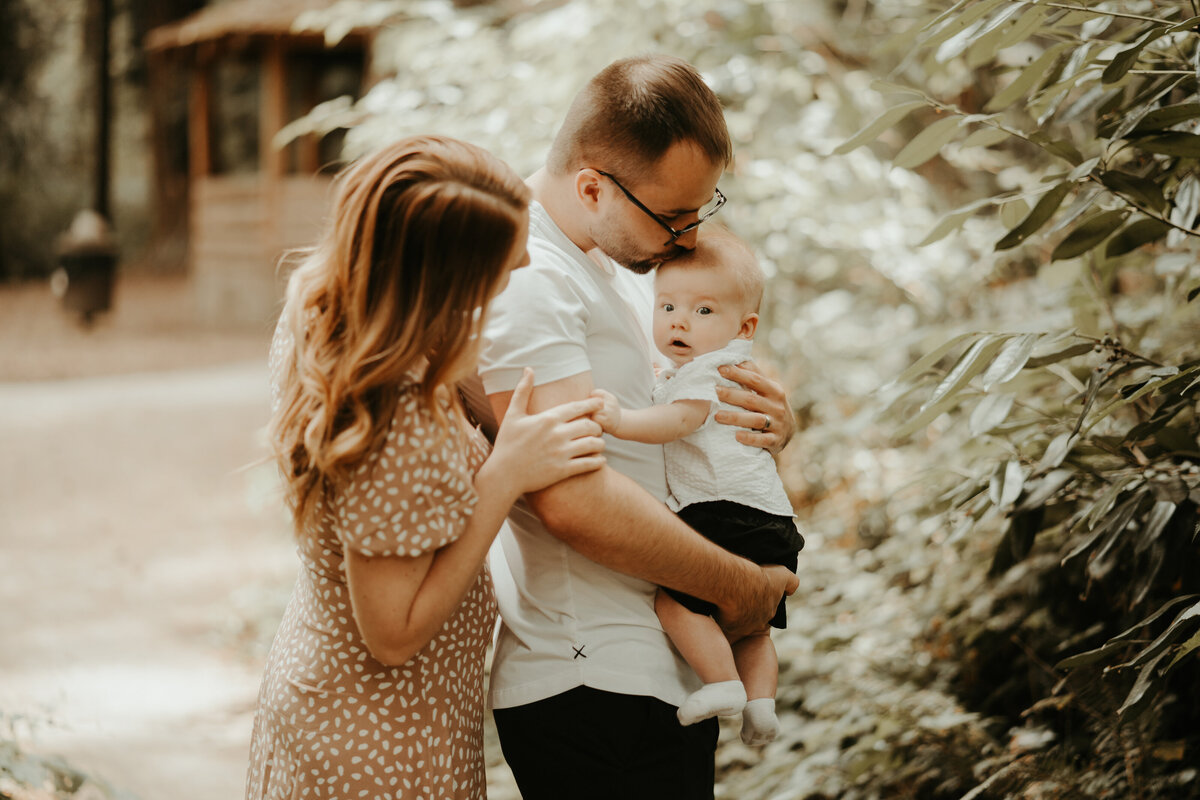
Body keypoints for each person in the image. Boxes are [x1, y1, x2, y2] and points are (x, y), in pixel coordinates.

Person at [470, 54, 799, 799]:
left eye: (700, 212)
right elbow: (571, 498)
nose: (687, 239)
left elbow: (667, 417)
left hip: (647, 669)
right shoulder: (532, 283)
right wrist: (740, 586)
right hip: (591, 676)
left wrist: (764, 424)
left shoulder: (610, 263)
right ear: (592, 186)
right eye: (674, 216)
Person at [245, 135, 608, 800]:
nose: (524, 269)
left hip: (347, 711)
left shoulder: (331, 317)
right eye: (501, 273)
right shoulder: (395, 419)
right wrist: (504, 475)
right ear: (437, 288)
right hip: (377, 742)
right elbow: (392, 634)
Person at [588, 227, 805, 747]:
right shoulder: (717, 367)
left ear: (744, 326)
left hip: (721, 509)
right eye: (667, 307)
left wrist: (620, 421)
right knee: (754, 628)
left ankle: (723, 683)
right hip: (771, 517)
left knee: (676, 603)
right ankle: (762, 705)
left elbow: (679, 423)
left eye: (704, 311)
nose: (680, 321)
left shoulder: (707, 374)